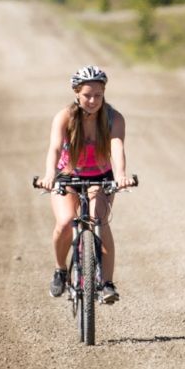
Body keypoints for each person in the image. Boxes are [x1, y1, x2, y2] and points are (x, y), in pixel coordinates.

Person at [38, 64, 135, 304]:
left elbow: (117, 147)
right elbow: (55, 148)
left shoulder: (114, 118)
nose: (92, 100)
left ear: (104, 94)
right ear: (76, 93)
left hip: (100, 176)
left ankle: (107, 283)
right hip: (68, 176)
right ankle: (60, 270)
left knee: (99, 220)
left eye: (98, 95)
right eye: (87, 95)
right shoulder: (65, 117)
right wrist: (49, 174)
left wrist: (121, 174)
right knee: (65, 221)